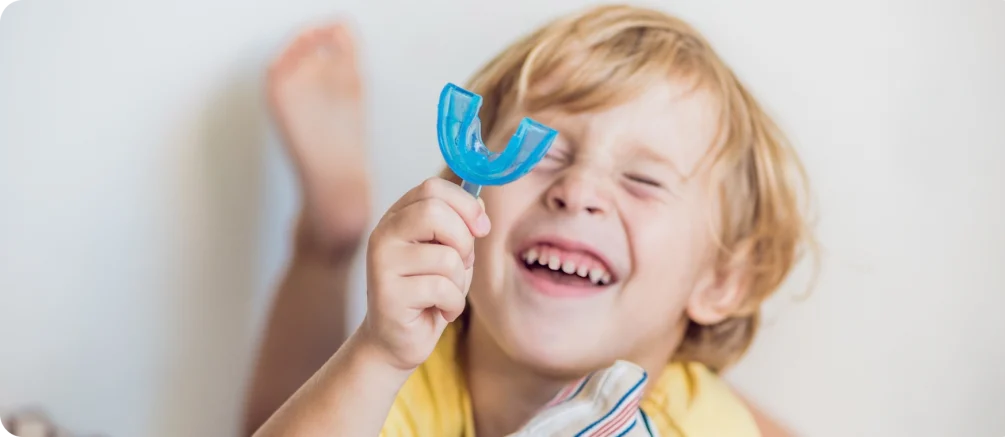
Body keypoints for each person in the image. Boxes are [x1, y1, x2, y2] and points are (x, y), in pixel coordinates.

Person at [244, 4, 813, 437]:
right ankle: (328, 239)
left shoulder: (700, 423)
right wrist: (376, 353)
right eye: (542, 153)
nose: (578, 191)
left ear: (721, 281)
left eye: (642, 180)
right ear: (466, 200)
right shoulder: (402, 372)